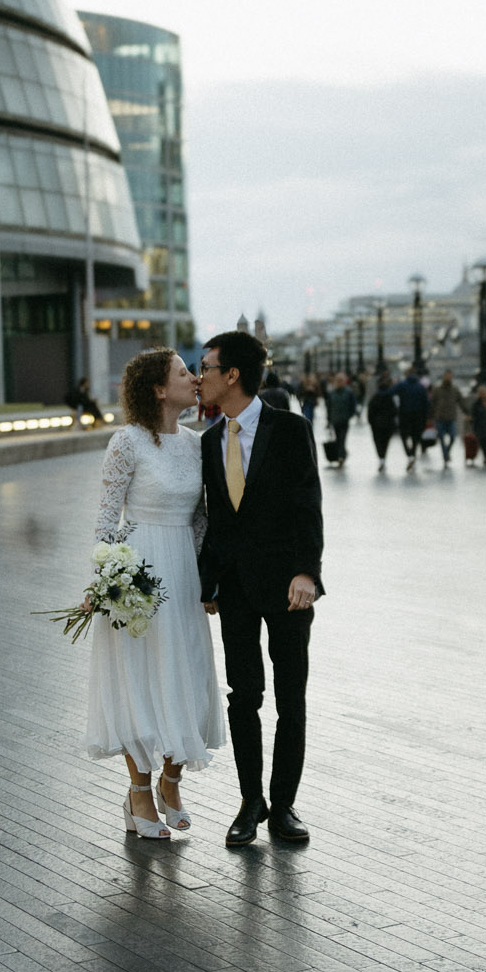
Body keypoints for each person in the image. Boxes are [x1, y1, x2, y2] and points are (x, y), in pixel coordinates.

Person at [87, 346, 225, 840]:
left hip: (183, 573)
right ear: (159, 389)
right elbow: (106, 520)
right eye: (184, 373)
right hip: (139, 572)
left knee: (182, 675)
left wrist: (208, 578)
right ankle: (139, 793)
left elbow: (202, 518)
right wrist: (108, 583)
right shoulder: (126, 443)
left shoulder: (196, 443)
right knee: (139, 681)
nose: (194, 379)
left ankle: (171, 781)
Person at [198, 329, 323, 849]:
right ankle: (251, 802)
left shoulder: (290, 430)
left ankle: (284, 806)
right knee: (243, 695)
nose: (199, 376)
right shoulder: (208, 441)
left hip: (288, 588)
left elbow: (307, 504)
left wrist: (306, 573)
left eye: (206, 367)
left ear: (232, 374)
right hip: (235, 591)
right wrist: (209, 583)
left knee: (290, 698)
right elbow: (215, 521)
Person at [394, 367, 428, 471]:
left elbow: (391, 393)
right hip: (418, 416)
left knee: (404, 436)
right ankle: (413, 453)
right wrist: (426, 416)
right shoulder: (420, 386)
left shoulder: (402, 385)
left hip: (404, 415)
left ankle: (409, 455)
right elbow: (426, 403)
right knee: (415, 437)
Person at [429, 370, 463, 466]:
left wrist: (467, 412)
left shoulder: (455, 390)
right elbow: (432, 403)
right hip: (440, 417)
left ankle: (447, 452)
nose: (448, 378)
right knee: (442, 438)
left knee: (453, 436)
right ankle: (445, 455)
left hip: (451, 417)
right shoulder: (437, 389)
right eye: (446, 376)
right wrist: (430, 416)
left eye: (449, 376)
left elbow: (461, 401)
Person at [367, 372, 399, 471]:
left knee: (378, 442)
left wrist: (371, 422)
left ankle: (381, 457)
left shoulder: (375, 398)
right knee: (385, 442)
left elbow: (370, 412)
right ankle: (383, 457)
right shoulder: (390, 398)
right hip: (388, 424)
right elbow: (394, 411)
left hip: (376, 425)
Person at [324, 371, 357, 465]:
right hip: (335, 419)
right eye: (338, 380)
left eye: (341, 380)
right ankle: (342, 453)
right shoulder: (332, 393)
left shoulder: (349, 392)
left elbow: (353, 405)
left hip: (344, 420)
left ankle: (341, 456)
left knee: (342, 438)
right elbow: (329, 407)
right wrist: (328, 420)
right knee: (338, 438)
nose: (339, 382)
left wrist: (350, 415)